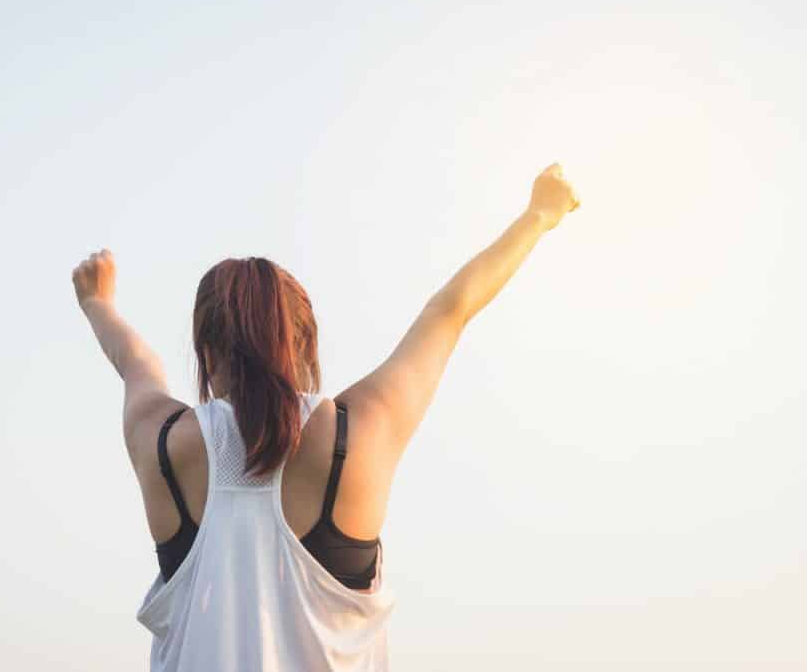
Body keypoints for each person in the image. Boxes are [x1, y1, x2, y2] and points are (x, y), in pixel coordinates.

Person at [71, 163, 581, 671]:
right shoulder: (359, 433)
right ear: (306, 345)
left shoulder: (162, 445)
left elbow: (136, 362)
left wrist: (97, 302)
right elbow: (450, 311)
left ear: (205, 354)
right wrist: (539, 215)